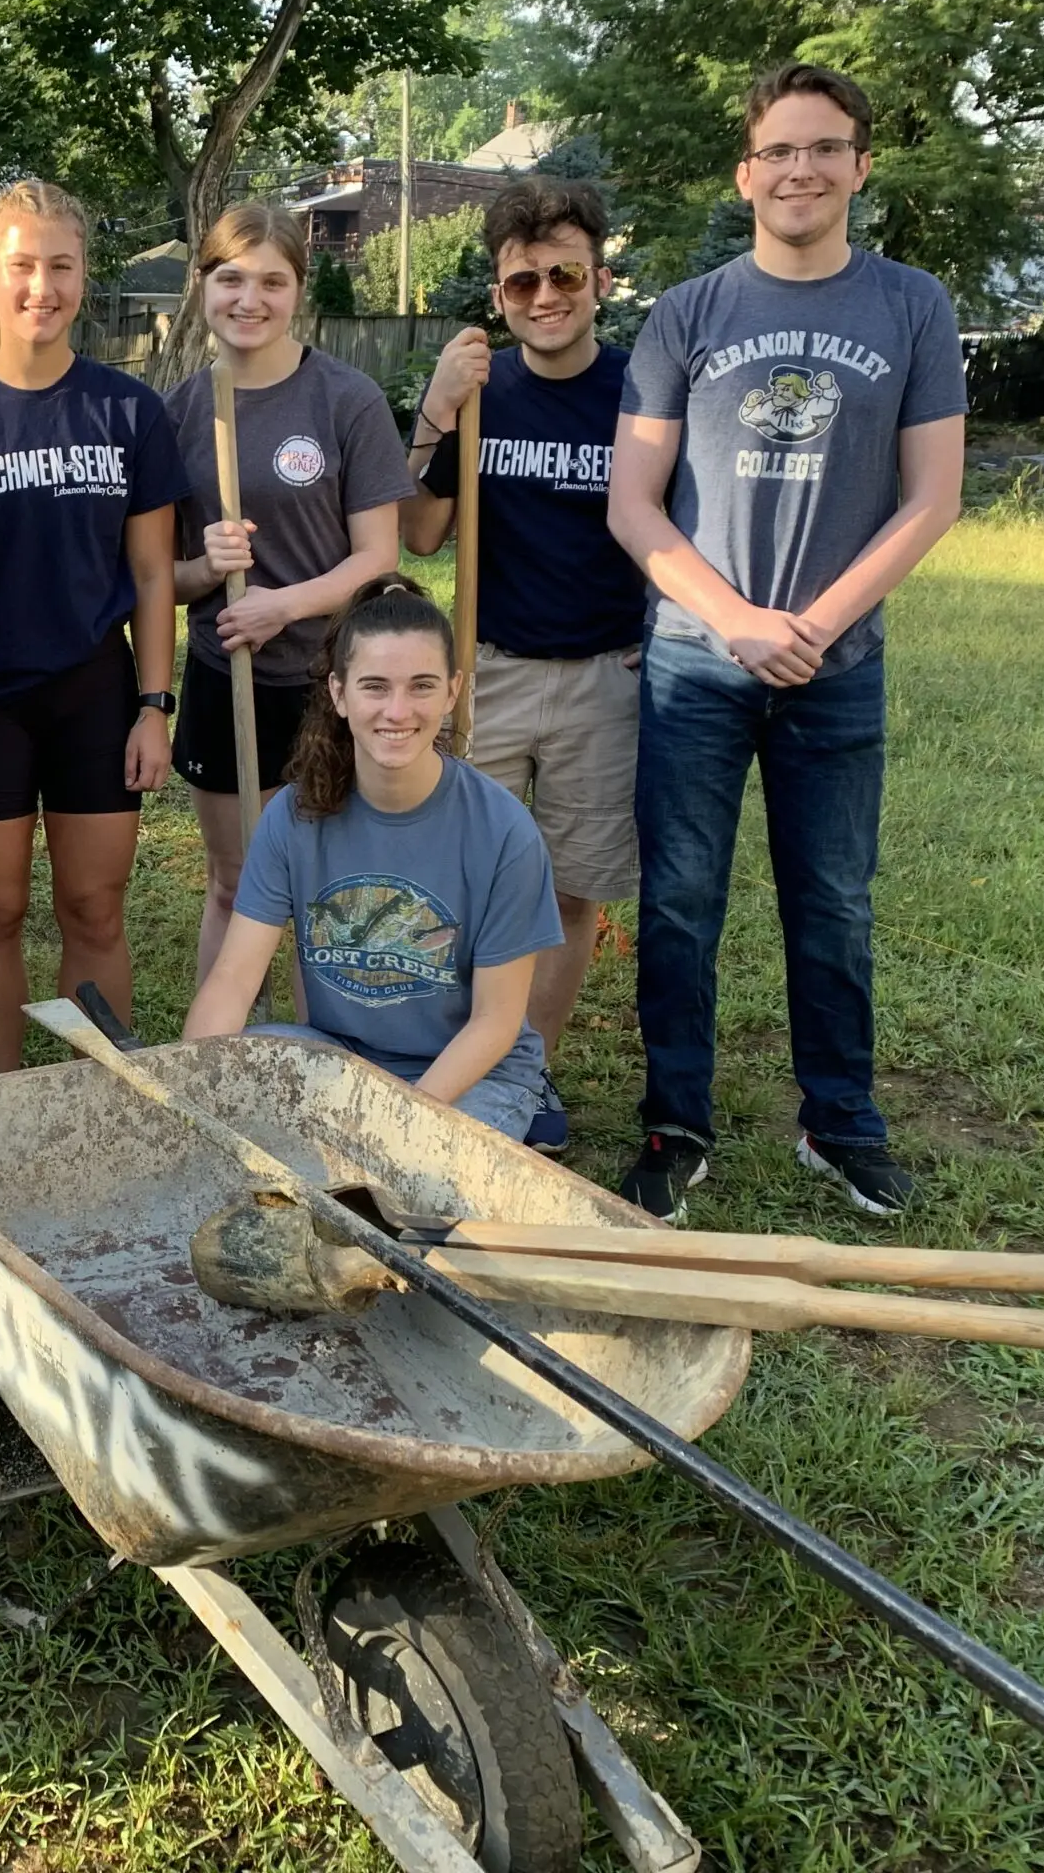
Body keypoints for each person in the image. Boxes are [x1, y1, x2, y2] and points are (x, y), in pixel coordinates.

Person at [608, 62, 965, 1220]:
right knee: (677, 902)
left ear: (860, 167)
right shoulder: (688, 312)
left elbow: (932, 498)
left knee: (832, 902)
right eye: (778, 151)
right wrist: (739, 622)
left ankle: (840, 1123)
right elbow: (633, 503)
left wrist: (812, 625)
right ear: (744, 173)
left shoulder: (911, 305)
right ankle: (674, 1123)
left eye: (823, 149)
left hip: (836, 667)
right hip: (695, 665)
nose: (799, 170)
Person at [0, 179, 190, 1071]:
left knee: (94, 909)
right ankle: (0, 1100)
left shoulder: (128, 412)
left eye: (60, 266)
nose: (42, 287)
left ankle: (92, 1097)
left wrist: (154, 703)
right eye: (22, 266)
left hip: (94, 693)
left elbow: (151, 572)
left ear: (84, 277)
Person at [402, 177, 648, 1152]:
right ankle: (460, 1049)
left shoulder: (639, 389)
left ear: (597, 277)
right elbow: (422, 533)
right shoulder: (480, 390)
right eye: (520, 284)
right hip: (490, 668)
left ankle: (523, 1071)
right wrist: (434, 408)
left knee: (568, 890)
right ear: (498, 294)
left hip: (605, 673)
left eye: (564, 275)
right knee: (471, 881)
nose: (544, 297)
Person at [184, 577, 567, 1140]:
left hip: (470, 1077)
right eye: (374, 686)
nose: (397, 710)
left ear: (452, 692)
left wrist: (394, 1125)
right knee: (240, 1092)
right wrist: (191, 1085)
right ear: (339, 694)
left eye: (421, 686)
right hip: (343, 1055)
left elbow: (494, 1022)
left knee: (406, 1194)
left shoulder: (503, 830)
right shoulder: (295, 815)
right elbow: (234, 979)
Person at [164, 202, 410, 986]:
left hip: (327, 680)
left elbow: (379, 557)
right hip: (223, 675)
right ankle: (216, 1061)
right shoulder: (179, 412)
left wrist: (285, 604)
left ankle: (324, 1063)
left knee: (323, 891)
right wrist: (207, 567)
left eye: (272, 281)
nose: (250, 299)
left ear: (297, 291)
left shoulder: (346, 399)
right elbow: (159, 578)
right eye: (230, 278)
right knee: (235, 883)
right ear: (202, 286)